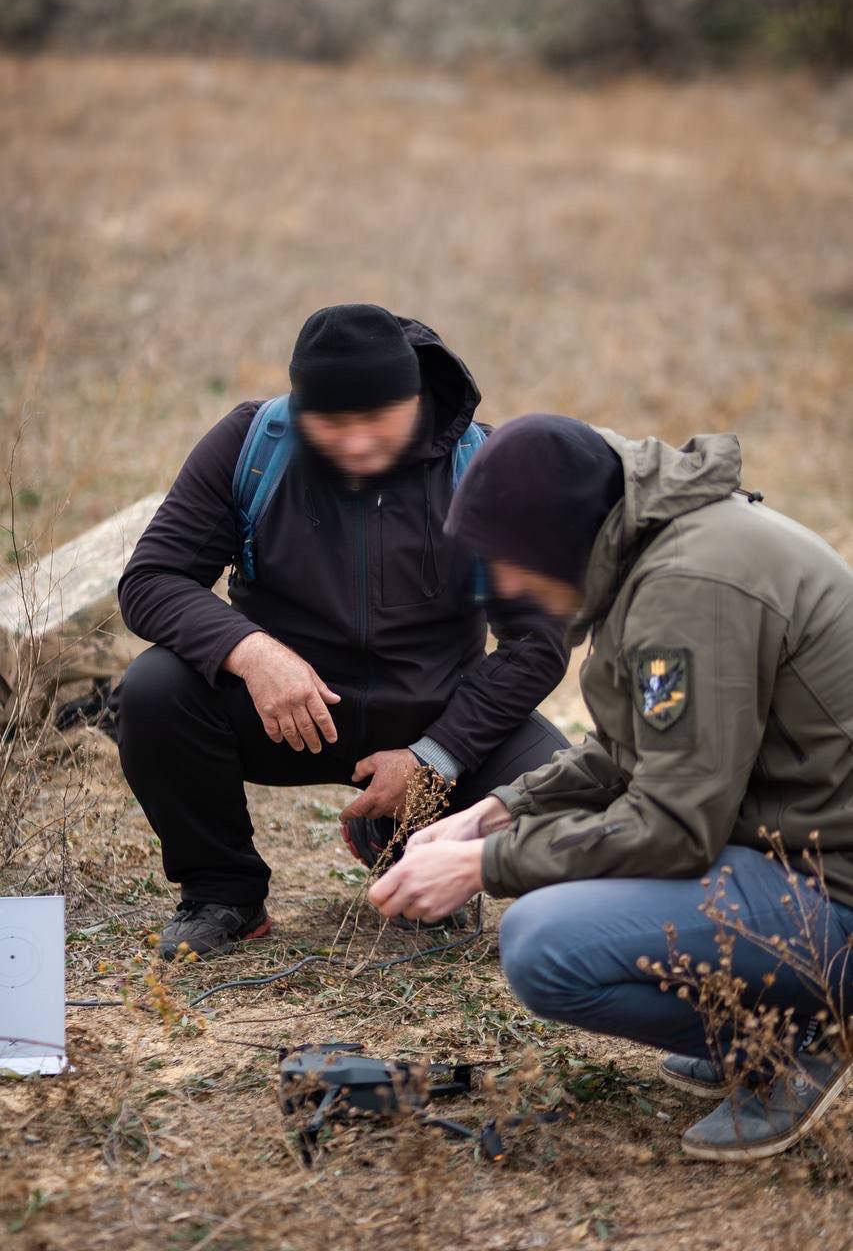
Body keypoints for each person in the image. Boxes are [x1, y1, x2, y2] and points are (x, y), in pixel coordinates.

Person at [369, 414, 853, 1162]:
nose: (500, 584)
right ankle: (768, 1019)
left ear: (558, 539)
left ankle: (798, 1035)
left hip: (834, 890)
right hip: (794, 849)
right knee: (546, 918)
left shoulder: (688, 587)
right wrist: (493, 814)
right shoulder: (665, 540)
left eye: (506, 561)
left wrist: (483, 867)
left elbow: (671, 824)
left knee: (544, 942)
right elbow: (637, 751)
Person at [114, 306, 569, 959]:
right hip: (286, 715)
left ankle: (402, 840)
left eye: (375, 421)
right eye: (332, 424)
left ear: (415, 400)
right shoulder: (251, 445)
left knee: (565, 800)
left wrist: (434, 756)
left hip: (434, 720)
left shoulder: (484, 468)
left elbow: (538, 642)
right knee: (154, 689)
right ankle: (224, 892)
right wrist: (249, 651)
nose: (355, 444)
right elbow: (152, 579)